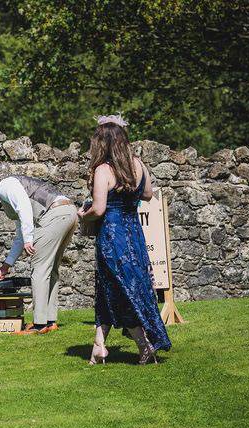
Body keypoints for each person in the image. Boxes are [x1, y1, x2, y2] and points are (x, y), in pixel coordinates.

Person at [78, 114, 172, 364]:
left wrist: (83, 215)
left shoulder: (103, 170)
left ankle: (144, 345)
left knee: (119, 290)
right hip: (134, 234)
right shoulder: (138, 165)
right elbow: (149, 194)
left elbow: (98, 209)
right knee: (113, 289)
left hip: (112, 235)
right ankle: (99, 346)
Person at [0, 175, 77, 335]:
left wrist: (29, 238)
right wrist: (5, 266)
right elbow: (19, 235)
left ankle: (39, 325)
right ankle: (50, 321)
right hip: (69, 212)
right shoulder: (10, 197)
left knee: (39, 270)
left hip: (53, 214)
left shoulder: (5, 185)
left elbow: (24, 206)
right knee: (51, 270)